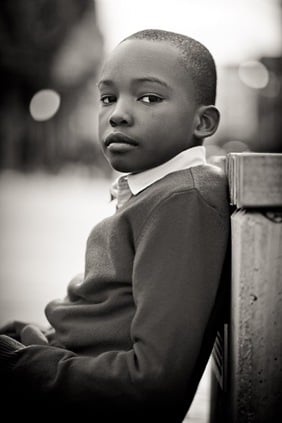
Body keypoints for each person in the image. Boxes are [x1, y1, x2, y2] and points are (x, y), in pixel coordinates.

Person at [0, 29, 230, 422]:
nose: (118, 113)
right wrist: (29, 341)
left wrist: (24, 365)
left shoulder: (184, 200)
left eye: (149, 98)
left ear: (203, 122)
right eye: (107, 98)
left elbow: (153, 383)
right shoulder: (157, 191)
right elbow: (105, 317)